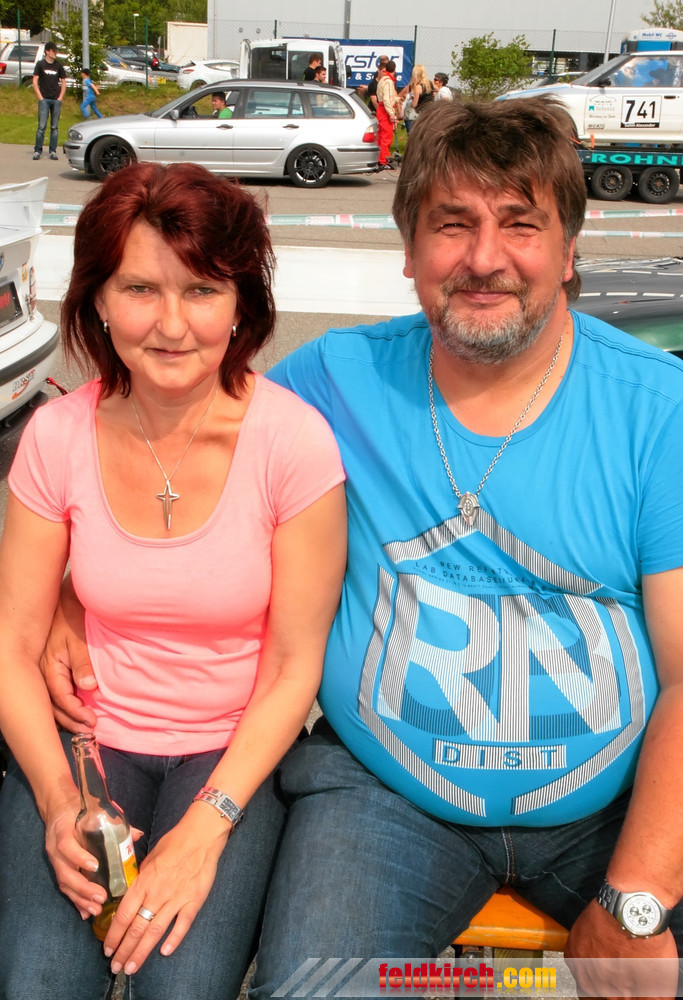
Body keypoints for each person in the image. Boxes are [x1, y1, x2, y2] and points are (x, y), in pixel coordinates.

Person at [41, 98, 683, 1000]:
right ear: (408, 250)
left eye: (520, 225)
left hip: (612, 809)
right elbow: (187, 455)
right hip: (384, 802)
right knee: (315, 988)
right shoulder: (332, 380)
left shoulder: (657, 410)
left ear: (569, 250)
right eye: (450, 225)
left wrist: (636, 898)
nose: (484, 258)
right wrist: (75, 598)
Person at [0, 163, 346, 1000]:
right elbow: (11, 643)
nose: (170, 324)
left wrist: (207, 827)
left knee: (179, 983)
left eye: (201, 290)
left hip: (230, 752)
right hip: (87, 742)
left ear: (241, 305)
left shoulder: (292, 444)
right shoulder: (56, 435)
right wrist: (57, 801)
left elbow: (293, 668)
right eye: (139, 289)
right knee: (42, 978)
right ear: (97, 300)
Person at [32, 41, 66, 160]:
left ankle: (52, 151)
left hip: (56, 100)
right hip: (44, 100)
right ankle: (37, 150)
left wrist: (60, 97)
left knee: (54, 127)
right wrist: (40, 97)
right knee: (41, 127)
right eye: (53, 51)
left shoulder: (58, 65)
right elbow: (35, 81)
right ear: (47, 51)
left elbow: (63, 82)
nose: (55, 53)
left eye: (56, 51)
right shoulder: (40, 64)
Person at [376, 60, 400, 170]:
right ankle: (383, 161)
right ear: (394, 70)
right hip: (385, 111)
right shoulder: (389, 82)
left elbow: (383, 97)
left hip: (380, 109)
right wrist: (391, 114)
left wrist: (397, 98)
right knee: (386, 137)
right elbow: (387, 99)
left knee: (380, 136)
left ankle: (379, 158)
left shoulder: (382, 80)